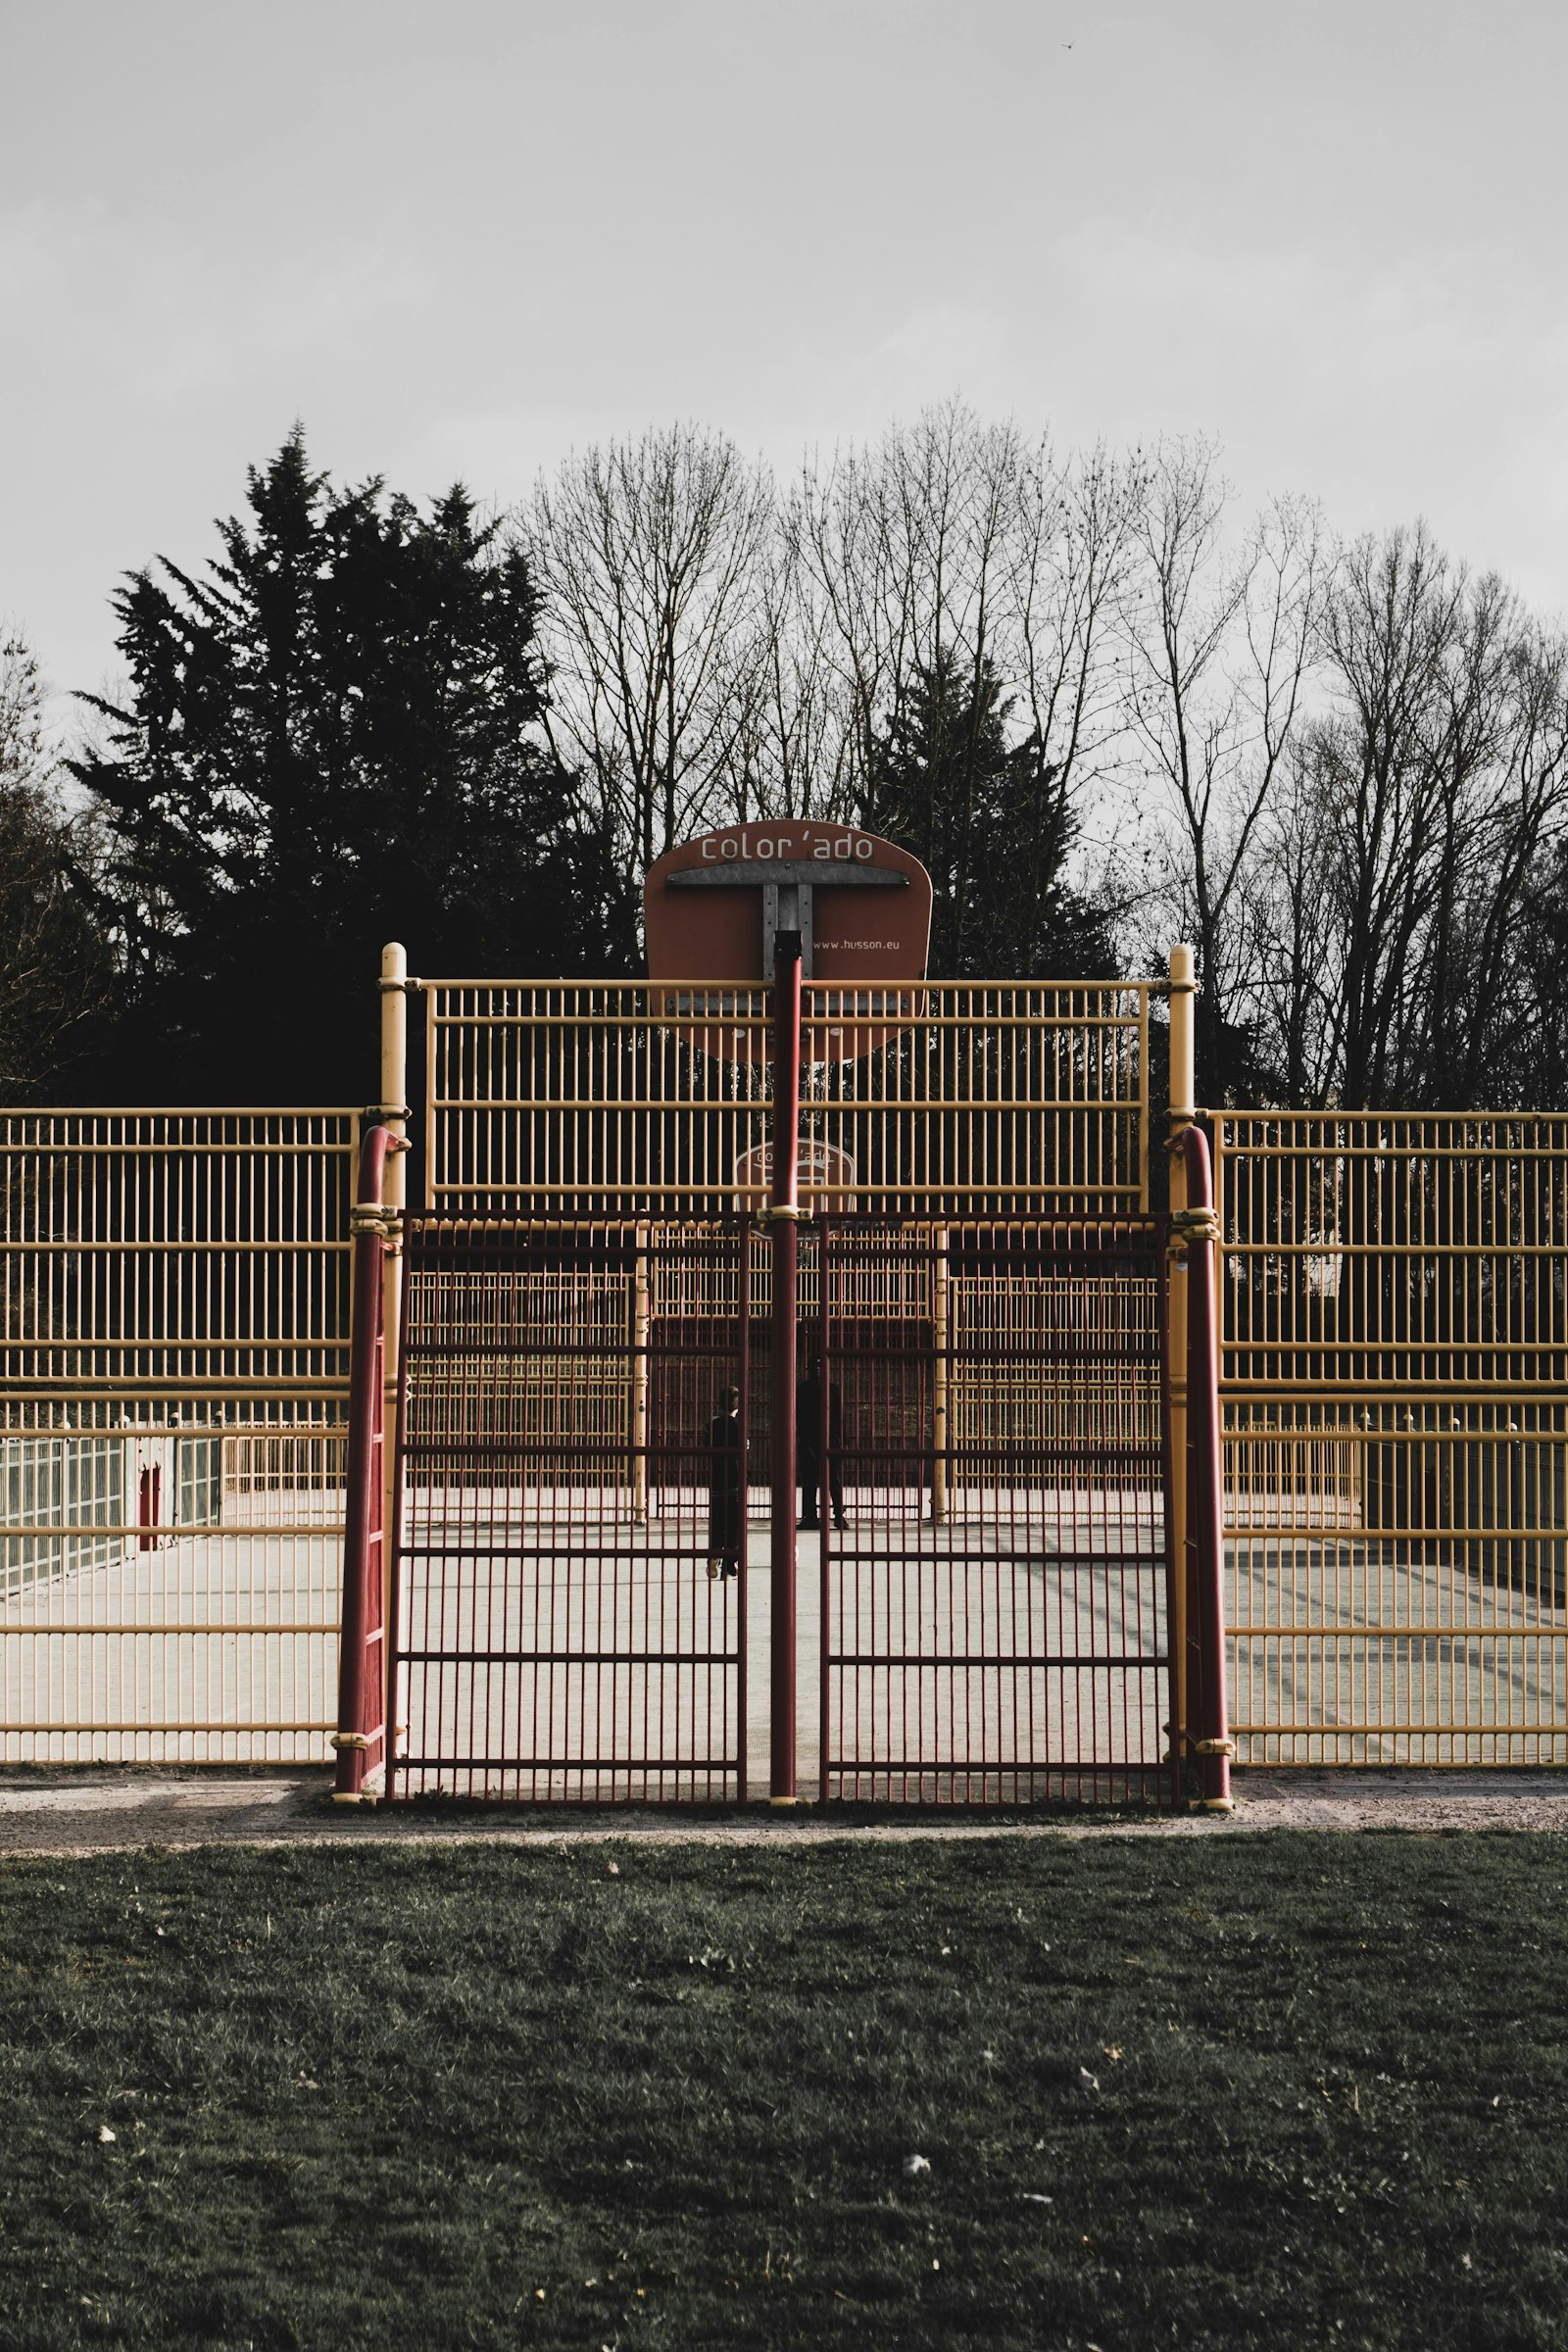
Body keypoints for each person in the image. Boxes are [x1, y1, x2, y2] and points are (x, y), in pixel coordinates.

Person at [797, 1352, 846, 1531]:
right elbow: (839, 1418)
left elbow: (799, 1419)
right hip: (829, 1440)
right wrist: (840, 1442)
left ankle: (811, 1517)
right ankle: (839, 1516)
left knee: (811, 1481)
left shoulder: (802, 1389)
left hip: (810, 1441)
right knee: (833, 1480)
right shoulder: (832, 1388)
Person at [707, 1385, 744, 1580]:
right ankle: (730, 1562)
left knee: (717, 1521)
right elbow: (744, 1452)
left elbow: (706, 1448)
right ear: (738, 1405)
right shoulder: (739, 1426)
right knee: (733, 1525)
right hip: (734, 1480)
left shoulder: (712, 1425)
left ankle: (713, 1553)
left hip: (716, 1480)